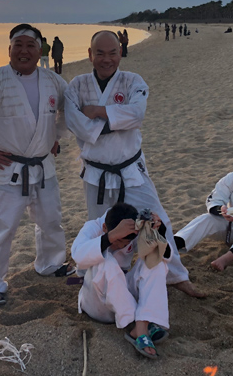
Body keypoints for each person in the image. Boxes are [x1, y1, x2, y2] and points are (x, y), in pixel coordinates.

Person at [64, 30, 204, 298]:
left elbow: (136, 115)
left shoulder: (132, 81)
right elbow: (75, 123)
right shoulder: (77, 86)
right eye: (100, 53)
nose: (107, 59)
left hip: (130, 170)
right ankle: (98, 276)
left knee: (156, 221)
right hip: (96, 174)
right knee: (101, 227)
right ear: (90, 54)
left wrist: (96, 112)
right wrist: (116, 122)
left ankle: (175, 276)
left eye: (112, 52)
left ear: (121, 52)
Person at [0, 23, 74, 308]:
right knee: (3, 228)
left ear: (40, 50)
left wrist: (56, 136)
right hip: (8, 169)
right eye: (18, 45)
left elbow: (69, 109)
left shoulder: (53, 81)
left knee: (50, 220)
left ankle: (50, 264)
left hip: (43, 166)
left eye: (30, 45)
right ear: (9, 49)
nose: (24, 51)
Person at [71, 203, 170, 359]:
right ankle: (138, 322)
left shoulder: (133, 228)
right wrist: (111, 237)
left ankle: (141, 324)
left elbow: (163, 255)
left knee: (155, 261)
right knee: (106, 260)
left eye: (125, 243)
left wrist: (159, 231)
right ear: (105, 227)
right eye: (118, 242)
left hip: (122, 291)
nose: (121, 246)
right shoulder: (92, 227)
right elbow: (78, 255)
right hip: (96, 301)